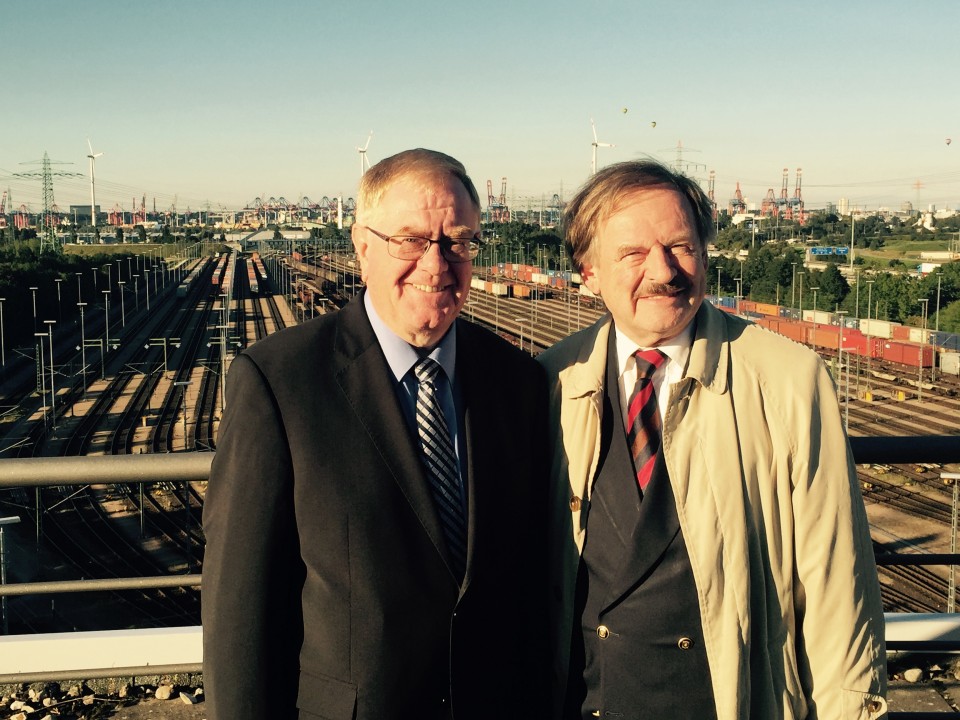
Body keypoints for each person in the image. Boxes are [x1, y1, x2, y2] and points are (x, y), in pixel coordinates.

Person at [202, 149, 549, 720]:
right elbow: (241, 610)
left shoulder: (517, 382)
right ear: (363, 246)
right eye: (410, 240)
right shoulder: (280, 381)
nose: (437, 265)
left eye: (458, 242)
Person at [537, 159, 887, 720]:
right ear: (589, 273)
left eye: (681, 246)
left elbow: (835, 581)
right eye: (632, 254)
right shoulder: (553, 378)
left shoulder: (789, 381)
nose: (663, 271)